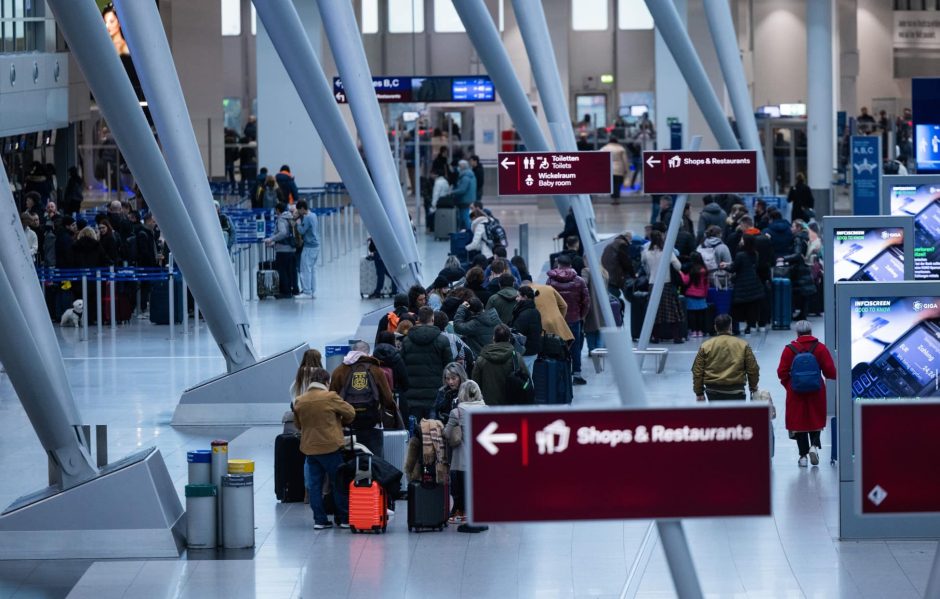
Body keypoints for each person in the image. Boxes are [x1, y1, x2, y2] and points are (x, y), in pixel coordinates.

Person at [292, 367, 355, 529]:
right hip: (331, 447)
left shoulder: (300, 400)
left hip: (310, 448)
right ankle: (343, 518)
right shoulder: (330, 397)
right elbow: (351, 413)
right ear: (326, 382)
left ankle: (319, 520)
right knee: (338, 483)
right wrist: (339, 419)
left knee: (315, 486)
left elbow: (298, 424)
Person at [777, 320, 836, 466]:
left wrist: (790, 385)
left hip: (795, 391)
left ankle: (803, 457)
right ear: (811, 332)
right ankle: (814, 446)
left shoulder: (789, 349)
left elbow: (781, 372)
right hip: (816, 391)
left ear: (797, 333)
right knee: (816, 419)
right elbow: (831, 372)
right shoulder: (820, 348)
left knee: (799, 423)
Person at [329, 341, 398, 458]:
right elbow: (387, 399)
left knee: (348, 463)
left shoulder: (339, 371)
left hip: (348, 426)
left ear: (352, 351)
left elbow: (331, 398)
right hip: (372, 424)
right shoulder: (376, 370)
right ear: (368, 353)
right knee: (376, 462)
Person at [443, 380, 487, 527]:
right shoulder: (487, 410)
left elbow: (447, 434)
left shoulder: (457, 412)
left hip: (461, 462)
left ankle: (461, 513)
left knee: (460, 492)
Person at [400, 307, 454, 421]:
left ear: (418, 319)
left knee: (414, 432)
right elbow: (449, 367)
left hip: (412, 396)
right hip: (436, 395)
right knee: (434, 433)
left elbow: (402, 367)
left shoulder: (407, 341)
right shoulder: (442, 340)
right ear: (433, 319)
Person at [692, 314, 760, 401]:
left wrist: (699, 392)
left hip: (713, 392)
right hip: (737, 391)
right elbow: (753, 369)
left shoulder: (705, 346)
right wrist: (753, 387)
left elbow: (697, 371)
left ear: (715, 327)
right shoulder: (743, 345)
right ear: (730, 326)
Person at [546, 254, 591, 384]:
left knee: (556, 346)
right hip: (574, 319)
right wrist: (581, 316)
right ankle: (576, 374)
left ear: (558, 264)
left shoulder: (550, 281)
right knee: (575, 347)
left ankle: (559, 373)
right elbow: (586, 302)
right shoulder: (579, 281)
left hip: (557, 319)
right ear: (570, 265)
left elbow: (548, 300)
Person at [641, 231, 685, 344]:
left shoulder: (646, 252)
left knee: (654, 312)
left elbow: (644, 267)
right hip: (666, 283)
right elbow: (678, 266)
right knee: (672, 311)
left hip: (652, 284)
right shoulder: (667, 252)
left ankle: (655, 337)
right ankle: (677, 337)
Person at [472, 324, 529, 406]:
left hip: (487, 407)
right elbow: (526, 379)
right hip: (510, 406)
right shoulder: (516, 357)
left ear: (493, 338)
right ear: (509, 339)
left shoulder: (481, 359)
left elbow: (475, 384)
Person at [721, 235, 765, 335]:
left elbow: (734, 269)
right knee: (752, 307)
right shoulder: (755, 254)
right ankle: (750, 326)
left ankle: (734, 328)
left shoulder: (740, 254)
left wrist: (724, 267)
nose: (740, 241)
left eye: (742, 239)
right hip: (754, 283)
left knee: (737, 307)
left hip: (742, 284)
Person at [784, 220, 817, 322]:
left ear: (798, 227)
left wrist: (785, 258)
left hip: (798, 269)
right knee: (804, 293)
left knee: (798, 292)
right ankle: (803, 314)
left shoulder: (798, 238)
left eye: (793, 227)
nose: (791, 229)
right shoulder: (806, 237)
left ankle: (800, 314)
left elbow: (797, 254)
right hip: (805, 266)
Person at [264, 202, 298, 298]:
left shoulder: (281, 219)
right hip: (292, 249)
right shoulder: (290, 217)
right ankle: (292, 290)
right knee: (290, 271)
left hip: (283, 250)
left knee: (282, 271)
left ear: (278, 210)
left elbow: (283, 233)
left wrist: (272, 239)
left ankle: (285, 292)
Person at [510, 286, 542, 371]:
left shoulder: (525, 314)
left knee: (525, 378)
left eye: (518, 296)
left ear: (525, 297)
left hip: (526, 351)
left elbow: (517, 332)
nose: (516, 299)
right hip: (531, 349)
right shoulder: (533, 311)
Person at [294, 200, 320, 299]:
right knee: (312, 269)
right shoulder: (313, 215)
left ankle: (306, 292)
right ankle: (313, 291)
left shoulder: (307, 218)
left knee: (305, 269)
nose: (298, 212)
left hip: (309, 247)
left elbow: (302, 231)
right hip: (316, 246)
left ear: (302, 209)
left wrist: (298, 223)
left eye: (298, 210)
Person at [685, 252, 709, 337]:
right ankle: (701, 331)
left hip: (691, 294)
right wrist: (705, 295)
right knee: (700, 314)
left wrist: (681, 273)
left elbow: (685, 281)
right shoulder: (704, 270)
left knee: (692, 313)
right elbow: (706, 284)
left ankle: (694, 331)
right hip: (702, 294)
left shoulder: (691, 270)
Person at [449, 160, 477, 230]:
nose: (458, 168)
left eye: (459, 166)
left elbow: (462, 190)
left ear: (462, 167)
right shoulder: (471, 175)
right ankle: (468, 233)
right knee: (468, 218)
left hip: (464, 201)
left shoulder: (465, 177)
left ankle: (470, 233)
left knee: (465, 218)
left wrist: (452, 192)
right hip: (470, 200)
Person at [601, 136, 630, 203]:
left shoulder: (604, 148)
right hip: (619, 170)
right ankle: (616, 198)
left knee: (611, 184)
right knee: (617, 185)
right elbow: (625, 160)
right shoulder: (621, 149)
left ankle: (613, 197)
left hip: (609, 169)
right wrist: (626, 169)